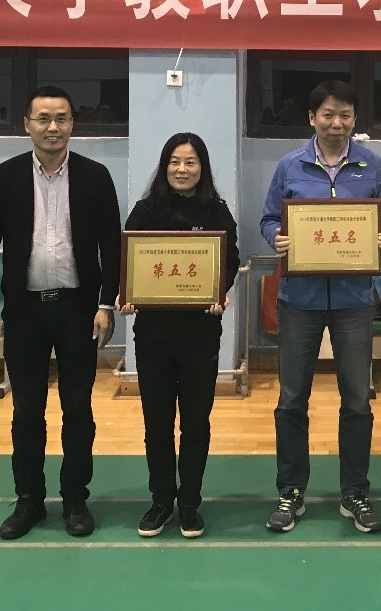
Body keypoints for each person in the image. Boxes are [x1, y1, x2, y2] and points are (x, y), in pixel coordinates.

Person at [0, 85, 122, 540]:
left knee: (77, 409)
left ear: (72, 124)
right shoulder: (4, 177)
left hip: (79, 311)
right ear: (27, 124)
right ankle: (29, 500)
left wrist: (105, 303)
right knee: (26, 412)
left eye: (61, 118)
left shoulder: (95, 176)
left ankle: (75, 500)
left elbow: (112, 246)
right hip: (24, 312)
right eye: (43, 118)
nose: (53, 127)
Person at [260, 80, 381, 534]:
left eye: (345, 115)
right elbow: (269, 218)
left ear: (354, 120)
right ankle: (290, 491)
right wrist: (276, 237)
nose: (337, 123)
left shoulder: (371, 163)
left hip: (354, 299)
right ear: (312, 118)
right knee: (291, 399)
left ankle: (355, 493)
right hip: (299, 299)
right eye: (328, 115)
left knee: (357, 400)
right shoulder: (290, 165)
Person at [118, 133, 239, 540]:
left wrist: (219, 293)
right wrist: (126, 294)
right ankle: (160, 501)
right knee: (156, 423)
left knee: (196, 423)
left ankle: (189, 502)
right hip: (153, 334)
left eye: (190, 162)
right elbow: (128, 262)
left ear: (202, 167)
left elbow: (230, 261)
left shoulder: (217, 212)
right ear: (164, 166)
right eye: (174, 161)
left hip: (200, 334)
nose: (182, 169)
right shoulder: (145, 211)